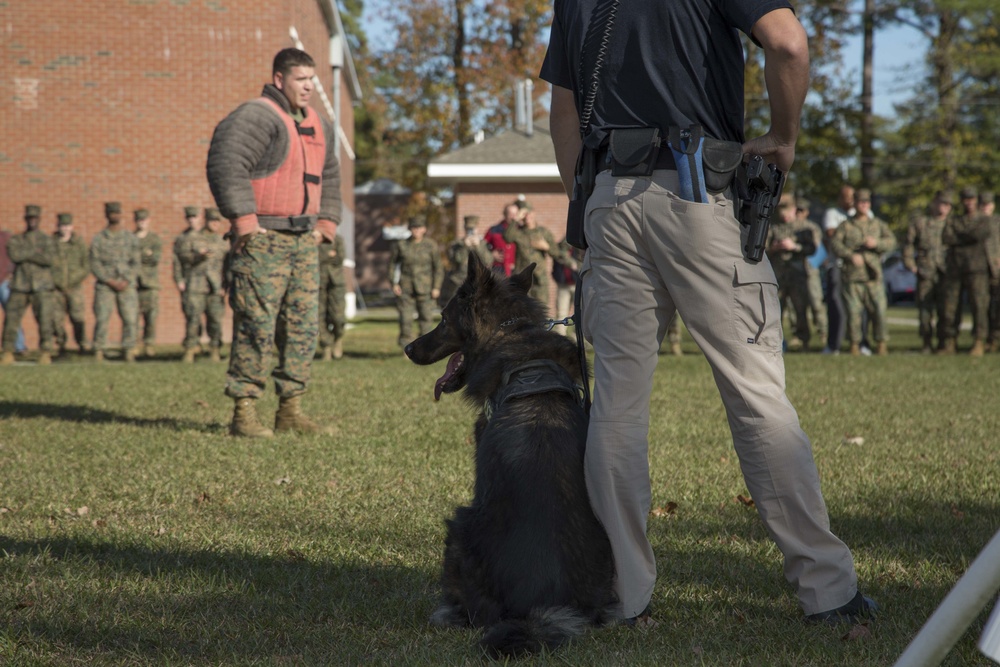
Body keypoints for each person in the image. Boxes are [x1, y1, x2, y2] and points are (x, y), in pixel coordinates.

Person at [543, 0, 875, 625]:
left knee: (617, 405)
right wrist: (784, 137)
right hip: (697, 190)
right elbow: (789, 45)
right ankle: (828, 592)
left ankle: (622, 594)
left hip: (609, 197)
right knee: (757, 396)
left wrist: (583, 201)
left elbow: (564, 108)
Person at [207, 47, 341, 437]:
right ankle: (244, 414)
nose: (309, 87)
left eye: (312, 80)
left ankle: (290, 410)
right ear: (280, 79)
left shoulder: (319, 123)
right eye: (301, 80)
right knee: (256, 325)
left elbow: (331, 175)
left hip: (303, 242)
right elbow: (226, 163)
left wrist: (326, 224)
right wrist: (245, 223)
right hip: (263, 241)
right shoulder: (256, 115)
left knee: (302, 328)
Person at [830, 189, 897, 356]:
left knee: (879, 311)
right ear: (855, 204)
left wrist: (877, 243)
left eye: (867, 202)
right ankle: (854, 344)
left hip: (873, 276)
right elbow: (835, 245)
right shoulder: (846, 226)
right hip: (853, 277)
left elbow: (892, 242)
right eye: (861, 202)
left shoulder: (878, 225)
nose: (864, 205)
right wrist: (850, 255)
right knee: (854, 313)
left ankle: (881, 343)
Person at [1, 204, 56, 365]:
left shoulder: (47, 240)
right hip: (20, 284)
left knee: (45, 320)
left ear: (39, 219)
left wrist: (28, 254)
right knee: (11, 319)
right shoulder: (17, 239)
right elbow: (15, 255)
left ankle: (45, 351)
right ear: (25, 219)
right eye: (29, 218)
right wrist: (35, 253)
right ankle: (8, 351)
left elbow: (49, 259)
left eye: (35, 218)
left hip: (42, 286)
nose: (32, 221)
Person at [939, 186, 990, 356]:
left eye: (972, 199)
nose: (969, 202)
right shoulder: (954, 220)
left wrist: (960, 237)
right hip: (955, 269)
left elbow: (979, 235)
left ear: (977, 200)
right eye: (966, 199)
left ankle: (978, 341)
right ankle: (950, 341)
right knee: (951, 308)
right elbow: (946, 237)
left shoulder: (983, 220)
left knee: (979, 306)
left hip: (977, 269)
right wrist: (965, 236)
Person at [175, 208, 228, 363]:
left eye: (218, 221)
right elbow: (182, 259)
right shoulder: (192, 238)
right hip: (195, 285)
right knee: (193, 319)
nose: (215, 224)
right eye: (213, 221)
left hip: (215, 287)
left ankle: (215, 350)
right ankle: (190, 350)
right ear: (206, 221)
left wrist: (225, 285)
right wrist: (198, 256)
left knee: (215, 320)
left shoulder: (222, 241)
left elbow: (227, 265)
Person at [90, 201, 141, 363]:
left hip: (127, 284)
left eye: (117, 213)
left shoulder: (130, 238)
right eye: (111, 213)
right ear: (107, 215)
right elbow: (94, 263)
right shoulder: (99, 239)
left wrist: (127, 280)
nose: (115, 216)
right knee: (102, 317)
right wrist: (109, 280)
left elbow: (136, 262)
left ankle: (128, 349)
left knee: (130, 318)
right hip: (105, 286)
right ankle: (99, 350)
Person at [767, 194, 818, 351]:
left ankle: (803, 342)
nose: (784, 215)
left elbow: (813, 249)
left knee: (800, 309)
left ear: (794, 210)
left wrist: (795, 247)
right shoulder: (773, 227)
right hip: (778, 276)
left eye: (787, 211)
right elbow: (762, 249)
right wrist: (774, 248)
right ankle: (776, 343)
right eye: (782, 211)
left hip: (798, 275)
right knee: (776, 311)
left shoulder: (805, 228)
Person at [903, 190, 950, 353]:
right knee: (925, 311)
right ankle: (927, 343)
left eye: (947, 204)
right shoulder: (921, 223)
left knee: (946, 311)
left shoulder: (953, 224)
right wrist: (911, 264)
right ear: (934, 203)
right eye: (941, 203)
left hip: (947, 274)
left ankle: (945, 343)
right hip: (925, 273)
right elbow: (908, 245)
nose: (943, 207)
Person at [389, 215, 442, 348]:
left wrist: (436, 287)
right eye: (413, 228)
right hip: (405, 288)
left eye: (419, 228)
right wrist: (394, 283)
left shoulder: (431, 245)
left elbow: (438, 268)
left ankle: (425, 348)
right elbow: (392, 265)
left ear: (424, 229)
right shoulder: (401, 245)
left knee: (426, 320)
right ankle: (406, 348)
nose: (416, 231)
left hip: (426, 289)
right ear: (410, 229)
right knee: (405, 320)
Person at [50, 212, 91, 354]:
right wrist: (56, 281)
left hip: (75, 287)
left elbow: (86, 266)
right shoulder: (51, 243)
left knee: (77, 317)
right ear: (58, 226)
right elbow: (46, 265)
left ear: (72, 226)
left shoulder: (79, 244)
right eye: (62, 226)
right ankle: (61, 344)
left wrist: (73, 280)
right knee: (56, 318)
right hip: (56, 289)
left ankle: (82, 343)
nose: (65, 229)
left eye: (68, 226)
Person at [821, 185, 855, 354]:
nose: (850, 200)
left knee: (857, 307)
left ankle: (859, 344)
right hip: (837, 265)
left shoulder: (863, 214)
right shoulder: (832, 214)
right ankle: (833, 344)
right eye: (846, 196)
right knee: (835, 306)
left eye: (852, 197)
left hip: (856, 267)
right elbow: (831, 235)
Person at [440, 216, 492, 308]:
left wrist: (478, 247)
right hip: (459, 282)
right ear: (464, 228)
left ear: (477, 228)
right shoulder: (456, 245)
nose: (470, 231)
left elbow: (488, 261)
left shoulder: (483, 244)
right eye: (468, 229)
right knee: (457, 309)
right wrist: (464, 247)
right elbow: (457, 261)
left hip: (478, 282)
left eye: (472, 229)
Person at [134, 208, 162, 357]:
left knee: (151, 316)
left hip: (151, 284)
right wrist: (145, 253)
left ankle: (149, 344)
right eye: (139, 220)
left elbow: (155, 258)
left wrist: (139, 256)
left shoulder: (154, 239)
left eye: (144, 220)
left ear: (148, 221)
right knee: (134, 317)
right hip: (134, 284)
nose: (142, 223)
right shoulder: (130, 238)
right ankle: (136, 344)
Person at [317, 232, 347, 360]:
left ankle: (338, 337)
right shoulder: (314, 239)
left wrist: (322, 257)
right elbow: (312, 257)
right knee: (320, 317)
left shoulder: (338, 239)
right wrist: (328, 255)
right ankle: (326, 347)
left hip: (336, 283)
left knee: (338, 317)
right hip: (319, 283)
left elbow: (340, 258)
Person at [551, 236, 585, 337]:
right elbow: (558, 255)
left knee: (581, 311)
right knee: (562, 311)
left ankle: (579, 336)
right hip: (563, 284)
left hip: (577, 283)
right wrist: (570, 262)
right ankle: (560, 336)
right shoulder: (561, 247)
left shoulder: (580, 245)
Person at [981, 192, 1000, 352]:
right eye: (983, 204)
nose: (986, 207)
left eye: (989, 203)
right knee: (983, 308)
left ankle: (995, 339)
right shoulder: (976, 222)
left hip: (997, 271)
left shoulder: (998, 222)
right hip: (980, 272)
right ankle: (987, 340)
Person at [484, 203, 520, 276]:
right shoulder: (494, 230)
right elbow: (482, 247)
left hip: (516, 270)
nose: (513, 217)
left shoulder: (521, 231)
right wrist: (491, 255)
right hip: (498, 270)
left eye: (515, 214)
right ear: (505, 214)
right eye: (510, 214)